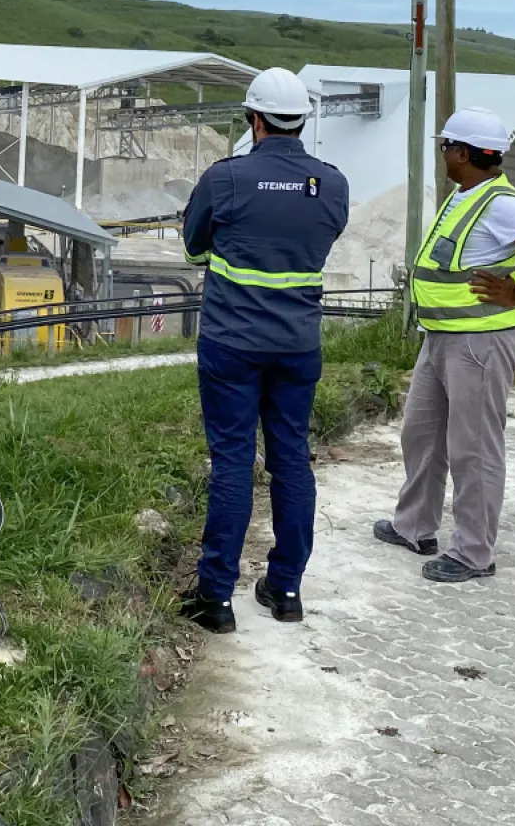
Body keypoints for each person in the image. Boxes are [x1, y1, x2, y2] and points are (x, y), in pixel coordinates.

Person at [177, 66, 350, 633]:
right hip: (298, 346)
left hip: (232, 343)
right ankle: (286, 589)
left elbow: (195, 244)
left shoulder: (225, 178)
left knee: (232, 462)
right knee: (291, 461)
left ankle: (216, 598)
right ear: (302, 120)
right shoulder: (333, 183)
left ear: (253, 119)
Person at [375, 108, 515, 582]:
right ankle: (415, 526)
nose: (443, 154)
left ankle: (473, 552)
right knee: (420, 435)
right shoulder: (466, 196)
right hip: (442, 338)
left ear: (462, 152)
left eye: (446, 147)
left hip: (480, 341)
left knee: (473, 447)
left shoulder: (501, 203)